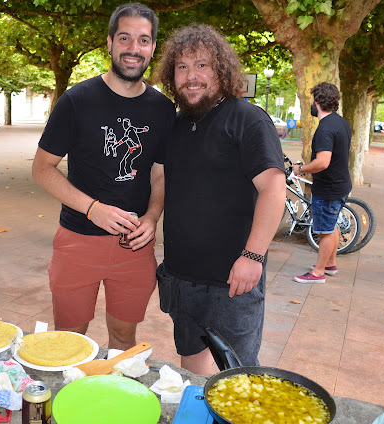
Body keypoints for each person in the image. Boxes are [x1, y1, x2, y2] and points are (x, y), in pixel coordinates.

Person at [31, 3, 174, 350]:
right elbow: (41, 169)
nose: (133, 48)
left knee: (124, 341)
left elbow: (159, 175)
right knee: (68, 342)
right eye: (125, 38)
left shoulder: (163, 109)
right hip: (77, 241)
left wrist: (153, 218)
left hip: (134, 246)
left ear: (152, 48)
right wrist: (93, 208)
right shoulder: (77, 100)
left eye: (143, 40)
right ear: (110, 43)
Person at [155, 24, 286, 374]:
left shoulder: (246, 118)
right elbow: (165, 181)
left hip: (232, 280)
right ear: (172, 75)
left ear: (221, 71)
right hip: (181, 278)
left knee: (237, 375)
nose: (191, 76)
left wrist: (253, 255)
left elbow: (274, 189)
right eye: (182, 67)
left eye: (202, 65)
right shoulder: (177, 125)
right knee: (192, 372)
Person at [292, 82, 352, 283]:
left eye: (311, 100)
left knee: (325, 231)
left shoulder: (324, 129)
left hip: (328, 189)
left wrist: (301, 169)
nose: (310, 103)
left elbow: (322, 162)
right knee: (331, 225)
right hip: (341, 185)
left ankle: (318, 272)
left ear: (317, 102)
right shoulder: (342, 123)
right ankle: (330, 264)